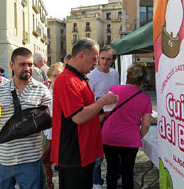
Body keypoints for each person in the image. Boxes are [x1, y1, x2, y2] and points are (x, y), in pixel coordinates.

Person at [50, 38, 118, 189]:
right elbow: (78, 116)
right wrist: (102, 102)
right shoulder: (67, 80)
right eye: (94, 58)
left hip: (82, 150)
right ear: (81, 55)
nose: (96, 63)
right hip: (74, 151)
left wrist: (101, 109)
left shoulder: (79, 77)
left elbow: (85, 108)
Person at [0, 47, 51, 189]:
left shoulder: (42, 90)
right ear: (12, 65)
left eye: (30, 64)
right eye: (22, 64)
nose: (27, 68)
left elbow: (48, 121)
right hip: (3, 159)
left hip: (31, 159)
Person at [102, 63, 152, 189]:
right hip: (130, 139)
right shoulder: (145, 99)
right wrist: (138, 135)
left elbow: (105, 111)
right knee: (127, 172)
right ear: (142, 80)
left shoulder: (113, 89)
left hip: (109, 136)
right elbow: (146, 125)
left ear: (128, 76)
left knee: (111, 169)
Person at [87, 45, 119, 189]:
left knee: (114, 150)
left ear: (113, 60)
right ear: (98, 58)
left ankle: (116, 176)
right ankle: (96, 182)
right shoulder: (91, 76)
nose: (105, 62)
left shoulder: (115, 73)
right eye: (103, 58)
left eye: (109, 59)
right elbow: (88, 100)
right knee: (98, 154)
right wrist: (103, 100)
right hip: (99, 119)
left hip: (114, 117)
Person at [42, 62, 64, 189]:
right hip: (48, 133)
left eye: (59, 75)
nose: (57, 78)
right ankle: (48, 184)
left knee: (63, 163)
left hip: (63, 133)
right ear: (49, 77)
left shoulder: (67, 91)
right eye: (54, 76)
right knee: (45, 160)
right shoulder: (45, 92)